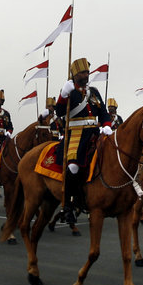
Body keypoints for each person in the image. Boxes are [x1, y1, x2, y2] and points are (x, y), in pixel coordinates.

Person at [55, 58, 111, 223]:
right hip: (76, 134)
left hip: (94, 132)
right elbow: (59, 112)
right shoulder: (69, 91)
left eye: (87, 72)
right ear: (75, 74)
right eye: (82, 72)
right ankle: (68, 205)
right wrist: (63, 95)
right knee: (73, 166)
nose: (86, 75)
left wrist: (107, 125)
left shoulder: (93, 92)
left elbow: (103, 112)